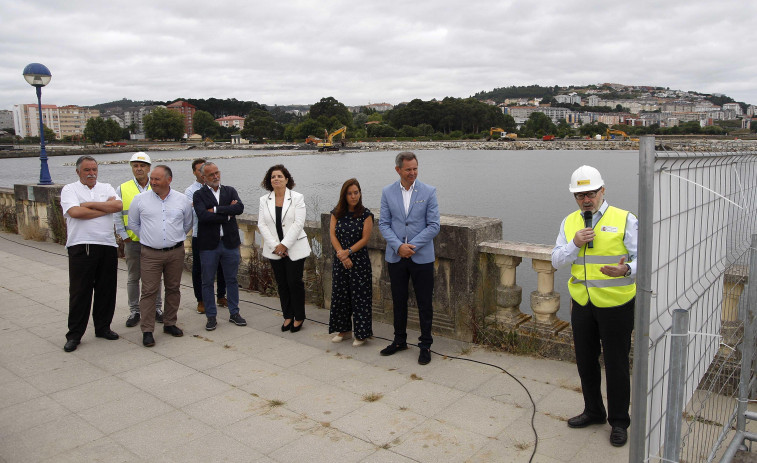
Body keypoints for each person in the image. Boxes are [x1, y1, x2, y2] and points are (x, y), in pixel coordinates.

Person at [551, 165, 638, 448]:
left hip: (617, 304)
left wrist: (625, 271)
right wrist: (574, 244)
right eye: (579, 195)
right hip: (583, 304)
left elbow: (645, 259)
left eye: (590, 193)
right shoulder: (569, 223)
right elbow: (556, 261)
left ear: (603, 191)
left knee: (616, 365)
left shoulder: (625, 219)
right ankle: (593, 411)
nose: (586, 200)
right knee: (586, 362)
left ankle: (619, 422)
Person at [378, 152, 440, 365]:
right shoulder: (387, 192)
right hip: (396, 257)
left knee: (424, 303)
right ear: (398, 170)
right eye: (408, 169)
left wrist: (410, 246)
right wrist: (398, 247)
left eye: (415, 168)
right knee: (398, 300)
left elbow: (434, 225)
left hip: (421, 256)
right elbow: (384, 224)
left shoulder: (429, 191)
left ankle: (425, 345)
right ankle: (399, 340)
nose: (412, 173)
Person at [60, 156, 123, 352]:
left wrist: (88, 204)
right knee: (80, 292)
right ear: (78, 172)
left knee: (106, 289)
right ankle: (74, 334)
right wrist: (103, 208)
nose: (91, 173)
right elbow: (75, 213)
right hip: (82, 245)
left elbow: (118, 206)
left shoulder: (106, 187)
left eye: (94, 169)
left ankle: (103, 327)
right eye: (87, 170)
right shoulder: (70, 189)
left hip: (106, 244)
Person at [128, 165, 193, 347]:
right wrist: (150, 239)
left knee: (173, 288)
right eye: (152, 178)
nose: (153, 182)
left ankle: (170, 323)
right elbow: (133, 223)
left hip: (175, 252)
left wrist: (173, 239)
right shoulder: (140, 200)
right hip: (150, 253)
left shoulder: (182, 200)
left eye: (157, 179)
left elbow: (188, 223)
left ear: (169, 180)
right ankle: (147, 330)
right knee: (149, 291)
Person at [192, 162, 246, 331]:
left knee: (232, 279)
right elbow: (202, 216)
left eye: (217, 173)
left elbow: (239, 208)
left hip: (229, 243)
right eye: (211, 175)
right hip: (209, 245)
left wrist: (214, 209)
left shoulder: (230, 190)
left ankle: (234, 313)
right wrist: (227, 214)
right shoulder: (198, 195)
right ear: (203, 177)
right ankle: (211, 316)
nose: (216, 176)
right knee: (207, 281)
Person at [257, 165, 311, 333]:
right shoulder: (264, 200)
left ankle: (299, 316)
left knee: (294, 282)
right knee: (282, 284)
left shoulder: (297, 198)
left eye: (280, 176)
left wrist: (284, 245)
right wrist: (276, 246)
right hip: (274, 250)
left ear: (287, 179)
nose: (276, 179)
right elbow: (262, 224)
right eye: (273, 177)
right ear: (269, 181)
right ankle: (288, 315)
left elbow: (298, 223)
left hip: (294, 247)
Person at [115, 152, 163, 327]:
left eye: (142, 166)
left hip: (154, 242)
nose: (139, 168)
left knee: (155, 278)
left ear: (149, 168)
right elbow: (117, 215)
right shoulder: (122, 188)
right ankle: (134, 311)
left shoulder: (158, 186)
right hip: (133, 242)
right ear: (132, 168)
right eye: (135, 166)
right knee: (133, 277)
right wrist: (124, 236)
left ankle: (157, 309)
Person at [328, 178, 374, 346]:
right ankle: (343, 330)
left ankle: (361, 334)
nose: (353, 196)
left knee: (360, 297)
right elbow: (333, 235)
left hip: (359, 262)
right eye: (350, 193)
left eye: (356, 192)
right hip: (341, 260)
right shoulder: (336, 213)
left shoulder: (366, 214)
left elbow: (365, 239)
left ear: (360, 194)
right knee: (340, 296)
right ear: (344, 195)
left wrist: (348, 253)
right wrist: (342, 255)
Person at [184, 158, 227, 314]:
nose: (203, 172)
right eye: (199, 169)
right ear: (195, 172)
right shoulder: (191, 191)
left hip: (220, 233)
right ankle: (201, 300)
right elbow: (199, 212)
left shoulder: (219, 188)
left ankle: (221, 295)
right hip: (199, 234)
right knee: (199, 269)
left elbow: (230, 206)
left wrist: (217, 209)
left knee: (222, 267)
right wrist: (222, 210)